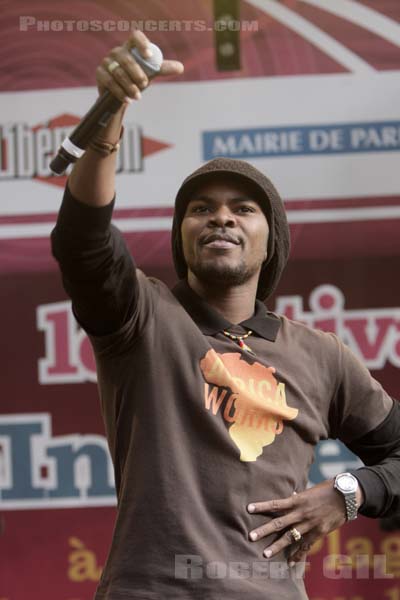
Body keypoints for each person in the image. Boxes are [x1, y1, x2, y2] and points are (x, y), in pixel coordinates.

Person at [51, 30, 400, 600]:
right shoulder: (140, 316)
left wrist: (347, 492)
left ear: (271, 243)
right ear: (181, 235)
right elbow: (82, 243)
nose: (221, 219)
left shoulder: (322, 355)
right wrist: (110, 114)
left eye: (242, 209)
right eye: (199, 209)